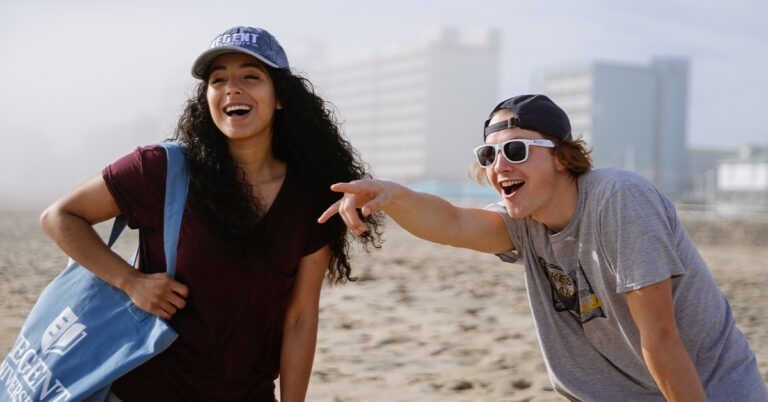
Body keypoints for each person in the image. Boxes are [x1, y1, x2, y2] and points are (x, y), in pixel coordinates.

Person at [318, 94, 768, 401]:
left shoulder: (618, 199)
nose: (499, 166)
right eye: (489, 156)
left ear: (561, 156)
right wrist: (392, 195)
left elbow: (662, 340)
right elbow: (452, 221)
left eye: (516, 150)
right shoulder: (524, 221)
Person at [40, 26, 381, 401]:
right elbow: (60, 217)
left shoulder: (310, 197)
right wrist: (130, 282)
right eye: (219, 80)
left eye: (250, 76)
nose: (232, 88)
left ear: (280, 96)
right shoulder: (161, 169)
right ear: (207, 98)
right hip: (144, 389)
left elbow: (300, 317)